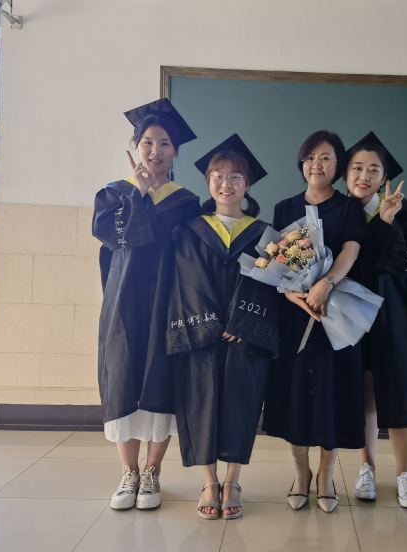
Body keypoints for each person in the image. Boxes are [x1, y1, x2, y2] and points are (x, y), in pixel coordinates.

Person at [93, 98, 200, 510]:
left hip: (168, 301)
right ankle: (129, 472)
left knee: (162, 379)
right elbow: (111, 237)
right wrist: (136, 194)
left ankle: (153, 472)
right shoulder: (114, 193)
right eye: (148, 142)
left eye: (165, 143)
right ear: (136, 146)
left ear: (175, 151)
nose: (155, 151)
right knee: (123, 377)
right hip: (123, 303)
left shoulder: (186, 201)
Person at [165, 134, 278, 520]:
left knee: (241, 403)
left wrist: (242, 322)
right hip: (201, 333)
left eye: (235, 176)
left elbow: (268, 285)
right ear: (208, 181)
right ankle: (209, 481)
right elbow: (185, 280)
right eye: (218, 175)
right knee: (200, 403)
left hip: (245, 335)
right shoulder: (190, 229)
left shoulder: (264, 234)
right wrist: (212, 323)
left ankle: (232, 481)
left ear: (247, 184)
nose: (226, 183)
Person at [262, 130, 369, 513]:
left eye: (325, 158)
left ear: (337, 165)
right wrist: (289, 292)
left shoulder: (348, 208)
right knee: (294, 397)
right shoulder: (284, 207)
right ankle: (301, 472)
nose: (316, 165)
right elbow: (276, 261)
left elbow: (351, 250)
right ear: (301, 163)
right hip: (294, 318)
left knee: (330, 394)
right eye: (310, 158)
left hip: (334, 316)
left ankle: (326, 474)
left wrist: (326, 283)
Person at [344, 131, 407, 508]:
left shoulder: (406, 211)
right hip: (350, 319)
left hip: (395, 317)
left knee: (400, 392)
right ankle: (366, 467)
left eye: (373, 170)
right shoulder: (337, 213)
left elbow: (406, 265)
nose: (364, 175)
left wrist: (389, 222)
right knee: (364, 394)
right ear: (345, 174)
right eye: (356, 168)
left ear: (384, 178)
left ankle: (405, 474)